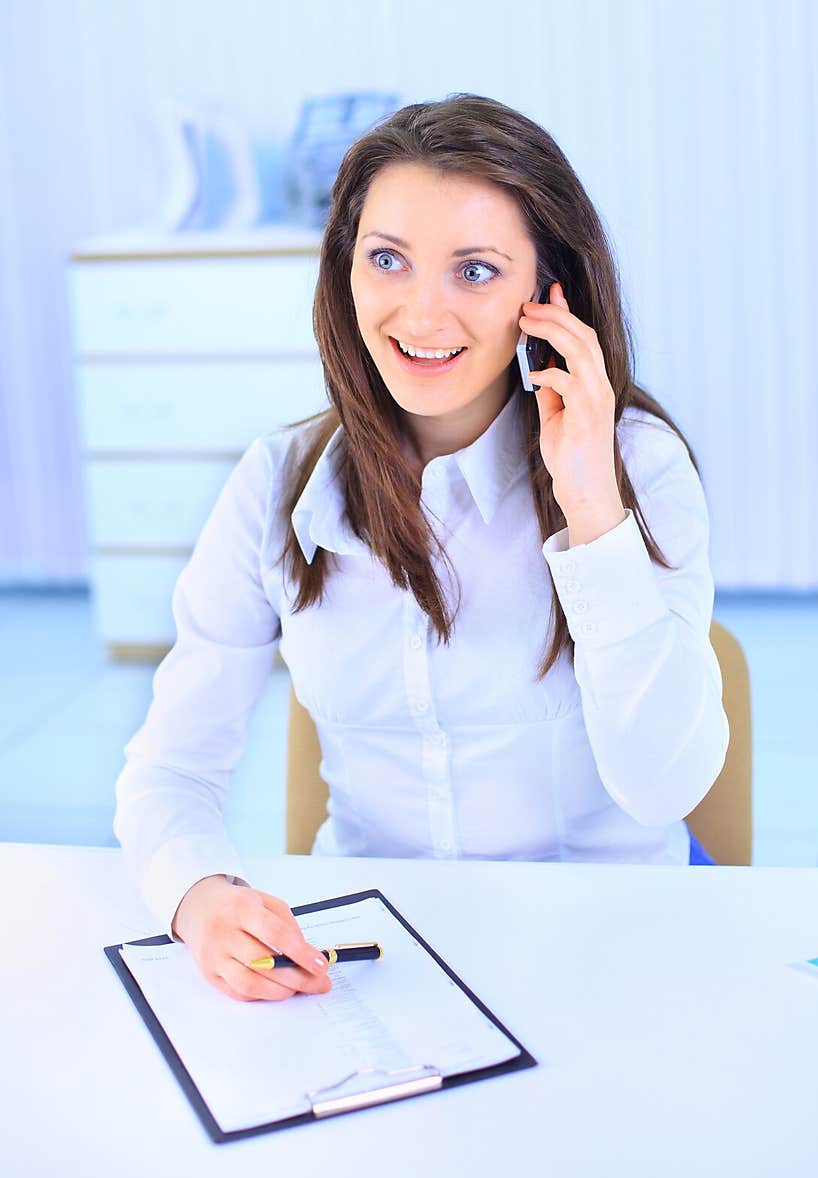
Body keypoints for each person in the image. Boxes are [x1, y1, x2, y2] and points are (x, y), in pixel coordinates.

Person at [114, 93, 729, 1003]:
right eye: (388, 260)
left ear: (548, 292)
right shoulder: (277, 484)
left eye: (475, 271)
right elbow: (170, 766)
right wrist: (198, 893)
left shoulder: (637, 462)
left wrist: (591, 505)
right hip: (382, 950)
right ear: (345, 271)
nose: (421, 313)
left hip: (610, 936)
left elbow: (663, 785)